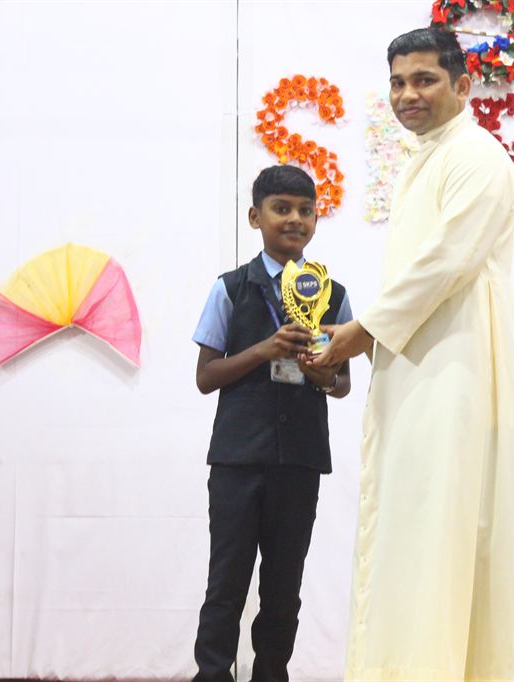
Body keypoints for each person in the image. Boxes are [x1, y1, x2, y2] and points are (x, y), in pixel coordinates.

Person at [310, 27, 514, 682]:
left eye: (424, 80)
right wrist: (370, 333)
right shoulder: (423, 159)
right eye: (398, 82)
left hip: (458, 363)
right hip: (417, 361)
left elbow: (447, 262)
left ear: (462, 85)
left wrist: (363, 330)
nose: (408, 94)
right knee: (415, 527)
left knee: (442, 529)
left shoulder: (476, 155)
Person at [191, 164, 353, 682]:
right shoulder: (230, 289)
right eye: (281, 208)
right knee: (226, 582)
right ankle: (212, 674)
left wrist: (319, 371)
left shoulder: (333, 295)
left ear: (316, 220)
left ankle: (272, 673)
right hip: (237, 461)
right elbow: (206, 377)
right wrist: (265, 349)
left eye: (306, 210)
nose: (295, 219)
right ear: (254, 216)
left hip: (300, 462)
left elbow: (342, 384)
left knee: (284, 587)